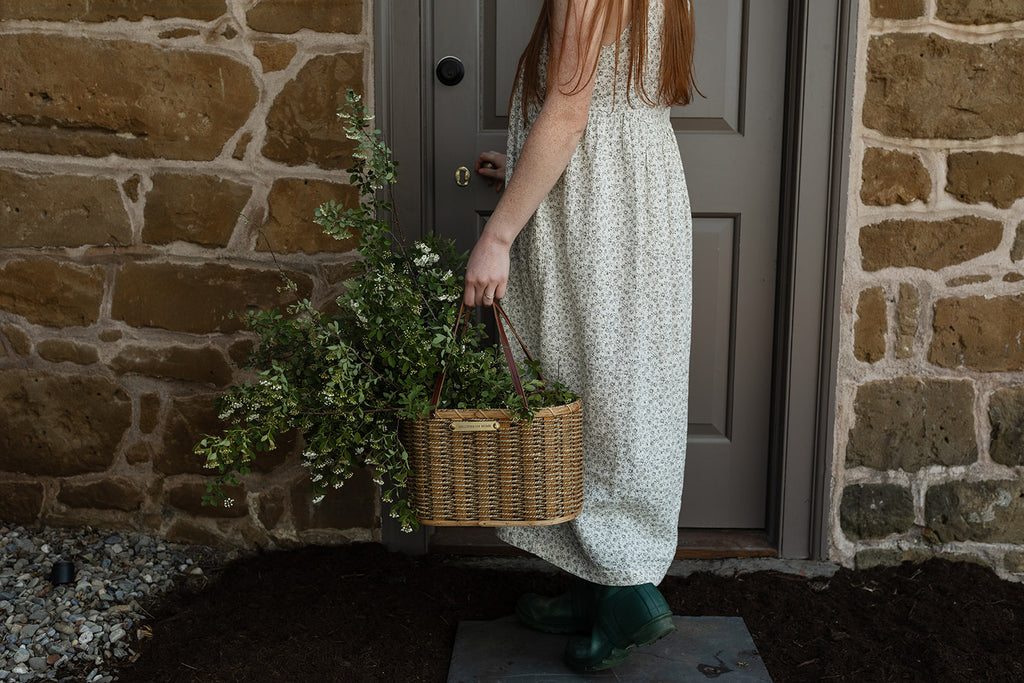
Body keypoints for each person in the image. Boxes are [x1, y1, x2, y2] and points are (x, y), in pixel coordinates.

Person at [464, 0, 696, 672]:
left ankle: (628, 594)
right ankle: (595, 585)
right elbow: (614, 99)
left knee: (599, 395)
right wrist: (523, 175)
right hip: (637, 191)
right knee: (611, 386)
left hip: (603, 213)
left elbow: (569, 115)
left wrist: (498, 233)